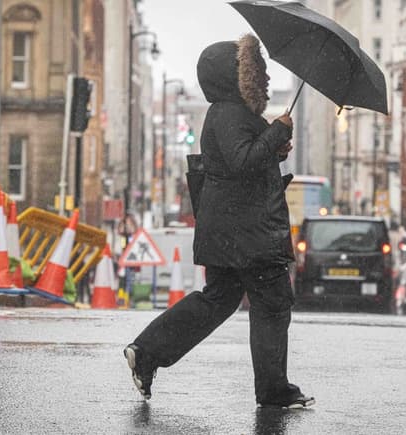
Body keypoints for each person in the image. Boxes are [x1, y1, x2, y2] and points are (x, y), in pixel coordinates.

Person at [123, 34, 314, 409]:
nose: (265, 79)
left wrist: (274, 148)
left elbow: (239, 165)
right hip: (251, 234)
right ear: (236, 77)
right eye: (256, 72)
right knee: (273, 303)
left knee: (218, 300)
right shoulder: (229, 113)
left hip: (233, 231)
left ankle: (146, 352)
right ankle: (274, 391)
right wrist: (277, 130)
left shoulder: (231, 114)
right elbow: (243, 162)